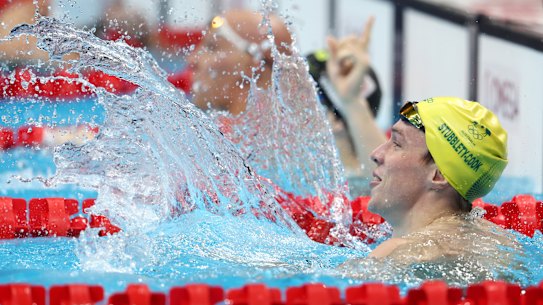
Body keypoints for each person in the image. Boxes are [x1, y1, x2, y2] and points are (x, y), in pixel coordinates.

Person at [186, 10, 385, 188]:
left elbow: (380, 189)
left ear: (254, 64)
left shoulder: (297, 165)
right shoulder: (219, 138)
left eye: (212, 47)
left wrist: (352, 103)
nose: (192, 60)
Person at [356, 96, 521, 270]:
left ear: (439, 176)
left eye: (397, 144)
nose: (376, 154)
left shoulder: (397, 254)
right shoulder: (506, 245)